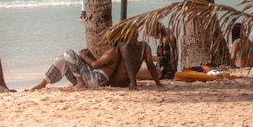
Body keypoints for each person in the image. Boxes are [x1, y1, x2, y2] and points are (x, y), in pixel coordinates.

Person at [28, 39, 161, 92]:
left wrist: (84, 56)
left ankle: (79, 82)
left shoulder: (113, 51)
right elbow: (98, 65)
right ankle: (43, 83)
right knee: (62, 58)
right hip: (94, 78)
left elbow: (95, 64)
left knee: (68, 52)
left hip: (97, 79)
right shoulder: (117, 52)